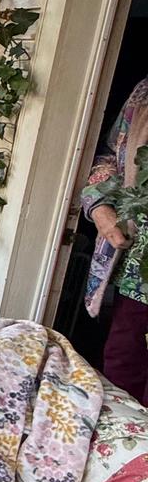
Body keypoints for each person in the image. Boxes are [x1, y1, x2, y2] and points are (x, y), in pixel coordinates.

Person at [81, 75, 148, 403]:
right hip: (138, 272)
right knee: (123, 363)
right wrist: (99, 208)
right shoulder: (143, 93)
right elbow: (110, 157)